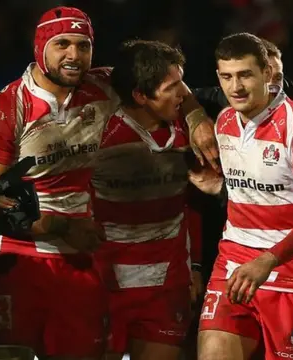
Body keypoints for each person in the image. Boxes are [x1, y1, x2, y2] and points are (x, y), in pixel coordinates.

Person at [0, 7, 218, 359]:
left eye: (83, 46)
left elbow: (167, 79)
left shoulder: (102, 86)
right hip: (15, 260)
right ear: (40, 48)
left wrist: (198, 118)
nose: (74, 55)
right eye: (62, 44)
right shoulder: (4, 110)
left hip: (81, 266)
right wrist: (55, 225)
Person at [191, 33, 293, 360]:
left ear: (268, 75)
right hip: (233, 264)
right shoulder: (224, 121)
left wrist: (267, 260)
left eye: (245, 75)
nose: (236, 87)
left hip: (292, 275)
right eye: (227, 77)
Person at [91, 40, 198, 360]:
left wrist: (197, 266)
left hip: (167, 282)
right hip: (106, 279)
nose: (184, 94)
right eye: (173, 87)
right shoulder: (99, 135)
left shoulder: (190, 131)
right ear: (140, 95)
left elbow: (194, 204)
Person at [193, 38, 293, 112]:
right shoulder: (221, 98)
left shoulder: (288, 92)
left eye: (277, 78)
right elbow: (184, 96)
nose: (272, 87)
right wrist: (197, 118)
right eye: (264, 77)